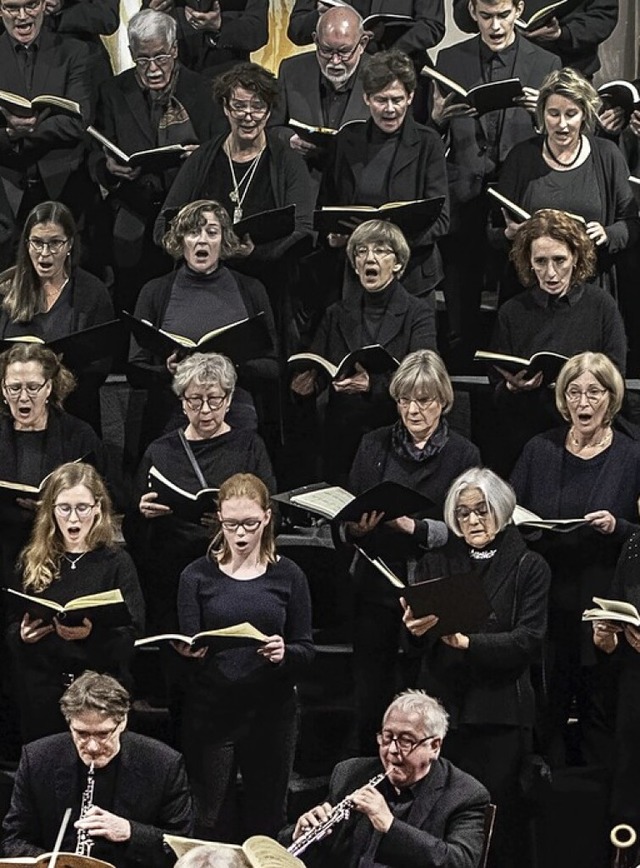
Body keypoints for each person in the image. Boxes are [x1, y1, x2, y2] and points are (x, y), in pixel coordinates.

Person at [403, 468, 550, 868]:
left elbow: (528, 639)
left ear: (501, 511)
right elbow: (414, 643)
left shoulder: (529, 565)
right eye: (463, 513)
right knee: (440, 815)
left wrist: (471, 643)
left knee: (492, 816)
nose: (472, 521)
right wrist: (414, 631)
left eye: (481, 511)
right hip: (444, 706)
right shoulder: (436, 561)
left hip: (498, 710)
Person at [343, 349, 480, 752]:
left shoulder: (463, 455)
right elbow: (349, 510)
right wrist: (356, 527)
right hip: (378, 581)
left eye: (423, 400)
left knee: (429, 700)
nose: (413, 410)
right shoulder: (373, 446)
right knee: (372, 696)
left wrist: (415, 528)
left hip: (436, 584)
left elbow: (468, 529)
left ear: (443, 402)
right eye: (404, 400)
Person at [511, 351, 640, 767]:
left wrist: (617, 527)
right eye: (574, 392)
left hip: (604, 598)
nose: (584, 403)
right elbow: (511, 510)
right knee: (547, 703)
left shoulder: (631, 456)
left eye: (594, 393)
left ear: (611, 398)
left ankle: (594, 801)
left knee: (598, 707)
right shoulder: (539, 449)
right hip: (547, 592)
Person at [177, 472, 314, 841]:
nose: (240, 534)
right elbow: (187, 646)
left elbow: (306, 648)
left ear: (267, 518)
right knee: (208, 815)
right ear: (219, 519)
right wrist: (188, 653)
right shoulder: (196, 575)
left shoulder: (288, 574)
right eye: (231, 524)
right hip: (214, 708)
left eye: (250, 524)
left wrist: (285, 652)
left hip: (271, 711)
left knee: (268, 816)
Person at [431, 0, 560, 361]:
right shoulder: (450, 59)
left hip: (518, 193)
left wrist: (542, 118)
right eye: (486, 16)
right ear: (472, 11)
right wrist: (438, 119)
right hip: (464, 194)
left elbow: (559, 135)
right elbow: (432, 135)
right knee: (459, 308)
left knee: (517, 300)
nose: (496, 26)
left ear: (519, 10)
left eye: (503, 15)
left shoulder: (546, 62)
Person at [129, 352, 276, 634]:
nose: (205, 410)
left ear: (229, 400)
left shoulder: (249, 447)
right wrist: (141, 514)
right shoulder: (160, 450)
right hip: (171, 572)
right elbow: (133, 530)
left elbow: (272, 512)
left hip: (231, 571)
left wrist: (231, 523)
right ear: (182, 402)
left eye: (214, 399)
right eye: (194, 400)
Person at [89, 9, 224, 314]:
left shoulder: (204, 90)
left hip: (187, 217)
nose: (152, 69)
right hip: (133, 219)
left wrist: (200, 157)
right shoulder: (113, 91)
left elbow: (221, 150)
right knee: (132, 305)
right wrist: (108, 168)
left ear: (174, 49)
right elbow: (94, 153)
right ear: (131, 54)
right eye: (143, 60)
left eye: (161, 57)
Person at [5, 461, 145, 742]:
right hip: (42, 691)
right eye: (64, 508)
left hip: (99, 693)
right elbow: (9, 626)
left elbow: (134, 633)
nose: (73, 518)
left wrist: (92, 634)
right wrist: (22, 636)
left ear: (97, 508)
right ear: (50, 510)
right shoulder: (32, 559)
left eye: (82, 507)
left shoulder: (116, 562)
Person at [290, 220, 437, 483]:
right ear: (355, 265)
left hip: (394, 425)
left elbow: (424, 378)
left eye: (380, 250)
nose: (370, 258)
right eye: (361, 251)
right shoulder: (336, 313)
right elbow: (321, 367)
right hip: (343, 431)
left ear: (398, 263)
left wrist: (373, 384)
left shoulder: (418, 313)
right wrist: (307, 386)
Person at [128, 199, 278, 454]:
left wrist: (232, 367)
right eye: (192, 232)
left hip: (235, 410)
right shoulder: (155, 292)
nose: (202, 240)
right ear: (180, 241)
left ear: (223, 241)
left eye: (211, 232)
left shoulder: (252, 290)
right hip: (173, 410)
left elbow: (273, 367)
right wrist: (169, 370)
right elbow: (135, 369)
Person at [1, 670, 194, 866]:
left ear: (122, 722)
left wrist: (131, 832)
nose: (92, 747)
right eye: (82, 733)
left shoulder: (163, 763)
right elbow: (13, 840)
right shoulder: (37, 759)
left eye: (103, 734)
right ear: (69, 724)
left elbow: (182, 848)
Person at [485, 208, 627, 474]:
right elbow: (497, 390)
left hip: (587, 429)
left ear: (575, 257)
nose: (550, 273)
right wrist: (512, 387)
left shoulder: (601, 306)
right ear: (529, 262)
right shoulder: (513, 311)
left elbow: (616, 376)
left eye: (559, 260)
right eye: (540, 262)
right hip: (527, 429)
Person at [284, 690, 490, 868]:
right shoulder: (351, 773)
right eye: (387, 737)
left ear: (434, 746)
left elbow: (460, 862)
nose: (392, 750)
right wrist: (300, 835)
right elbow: (323, 857)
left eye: (406, 741)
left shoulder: (465, 795)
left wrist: (391, 826)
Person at [491, 67, 639, 296]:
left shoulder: (607, 155)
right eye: (553, 114)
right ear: (542, 114)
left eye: (571, 114)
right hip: (531, 290)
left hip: (591, 289)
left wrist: (607, 234)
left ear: (584, 115)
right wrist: (510, 235)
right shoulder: (521, 157)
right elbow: (492, 230)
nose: (562, 124)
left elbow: (630, 224)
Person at [319, 49, 449, 300]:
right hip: (358, 275)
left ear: (410, 97)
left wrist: (388, 249)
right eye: (381, 100)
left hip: (413, 276)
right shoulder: (347, 141)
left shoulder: (427, 142)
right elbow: (328, 206)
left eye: (397, 99)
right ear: (366, 98)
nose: (390, 109)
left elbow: (441, 220)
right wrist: (334, 236)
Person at [155, 62, 314, 262]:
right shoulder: (202, 158)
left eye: (257, 107)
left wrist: (257, 255)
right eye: (239, 106)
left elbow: (303, 230)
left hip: (269, 276)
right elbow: (163, 225)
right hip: (208, 274)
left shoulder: (288, 161)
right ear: (225, 107)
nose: (248, 116)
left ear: (269, 111)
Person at [0, 200, 115, 432]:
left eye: (55, 243)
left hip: (72, 417)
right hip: (10, 418)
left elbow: (101, 363)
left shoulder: (92, 292)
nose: (45, 253)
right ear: (26, 243)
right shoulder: (6, 288)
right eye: (37, 243)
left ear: (69, 244)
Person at [0, 343, 105, 591]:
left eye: (33, 387)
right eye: (14, 388)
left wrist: (52, 507)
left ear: (48, 387)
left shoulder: (78, 434)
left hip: (61, 548)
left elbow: (105, 493)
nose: (23, 397)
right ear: (3, 391)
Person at [0, 0, 92, 230]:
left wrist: (27, 130)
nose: (22, 16)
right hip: (5, 188)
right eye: (12, 8)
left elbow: (78, 120)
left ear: (44, 5)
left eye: (30, 5)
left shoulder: (74, 52)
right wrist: (9, 133)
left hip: (63, 184)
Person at [269, 5, 370, 196]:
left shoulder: (380, 74)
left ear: (363, 43)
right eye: (326, 50)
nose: (335, 61)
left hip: (359, 189)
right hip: (303, 185)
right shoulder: (291, 70)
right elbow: (271, 127)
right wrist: (289, 139)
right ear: (315, 40)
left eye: (344, 51)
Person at [593, 531, 640, 866]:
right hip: (634, 683)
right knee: (628, 779)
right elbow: (616, 605)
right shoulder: (636, 543)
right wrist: (605, 636)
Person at [452, 0, 618, 79]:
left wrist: (564, 33)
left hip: (568, 68)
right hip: (499, 66)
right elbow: (463, 17)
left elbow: (604, 15)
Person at [287, 0, 445, 68]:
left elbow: (432, 25)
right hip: (337, 75)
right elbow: (297, 30)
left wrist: (391, 47)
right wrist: (322, 16)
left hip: (399, 70)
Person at [143, 0, 269, 79]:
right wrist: (150, 14)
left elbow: (258, 32)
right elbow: (140, 33)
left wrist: (219, 25)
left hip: (228, 82)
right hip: (175, 81)